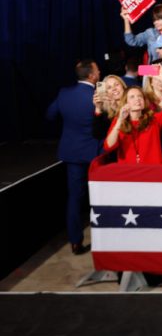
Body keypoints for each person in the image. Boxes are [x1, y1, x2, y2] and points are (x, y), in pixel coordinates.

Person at [45, 60, 102, 255]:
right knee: (102, 197)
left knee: (74, 198)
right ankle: (107, 240)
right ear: (92, 76)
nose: (100, 71)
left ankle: (75, 242)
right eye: (97, 70)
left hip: (72, 153)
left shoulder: (64, 94)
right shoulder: (98, 95)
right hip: (96, 152)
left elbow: (50, 115)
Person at [103, 74, 162, 164]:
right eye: (132, 97)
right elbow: (108, 146)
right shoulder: (119, 121)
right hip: (128, 172)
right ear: (125, 102)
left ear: (144, 101)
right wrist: (119, 122)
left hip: (153, 171)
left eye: (140, 96)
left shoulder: (153, 119)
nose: (137, 99)